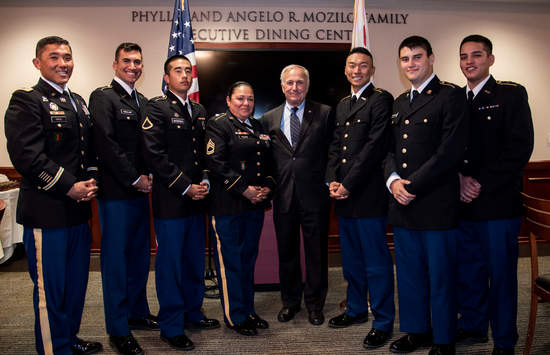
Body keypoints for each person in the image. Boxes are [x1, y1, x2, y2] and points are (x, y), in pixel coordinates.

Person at [4, 36, 102, 355]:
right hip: (47, 213)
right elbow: (27, 156)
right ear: (38, 63)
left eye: (68, 57)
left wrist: (90, 181)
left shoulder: (77, 101)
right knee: (51, 291)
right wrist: (68, 185)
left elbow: (86, 151)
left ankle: (68, 340)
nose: (63, 63)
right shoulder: (27, 100)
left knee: (74, 289)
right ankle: (53, 349)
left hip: (77, 212)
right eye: (54, 57)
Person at [383, 35, 468, 355]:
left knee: (442, 276)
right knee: (410, 275)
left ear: (431, 58)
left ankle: (444, 339)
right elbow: (388, 150)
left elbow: (449, 152)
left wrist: (411, 186)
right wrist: (393, 182)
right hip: (403, 205)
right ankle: (417, 331)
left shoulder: (450, 96)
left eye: (417, 57)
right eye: (405, 59)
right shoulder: (400, 101)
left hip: (434, 204)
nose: (411, 64)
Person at [455, 35, 534, 355]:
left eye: (476, 55)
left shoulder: (510, 94)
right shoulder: (455, 99)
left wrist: (479, 183)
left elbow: (519, 150)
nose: (469, 61)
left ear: (491, 59)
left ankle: (504, 341)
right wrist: (459, 179)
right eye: (463, 56)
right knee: (469, 273)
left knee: (501, 278)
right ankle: (474, 327)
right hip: (463, 206)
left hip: (498, 205)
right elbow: (448, 149)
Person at [141, 55, 219, 351]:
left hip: (197, 199)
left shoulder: (198, 110)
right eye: (178, 71)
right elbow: (154, 155)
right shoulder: (156, 108)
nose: (184, 75)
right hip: (172, 201)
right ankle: (171, 325)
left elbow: (205, 153)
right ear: (166, 77)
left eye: (188, 71)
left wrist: (206, 182)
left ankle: (192, 313)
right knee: (171, 264)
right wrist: (186, 186)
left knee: (193, 261)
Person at [89, 42, 158, 355]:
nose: (133, 66)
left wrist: (151, 177)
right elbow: (107, 145)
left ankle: (137, 313)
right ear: (115, 64)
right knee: (117, 261)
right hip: (117, 193)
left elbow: (148, 146)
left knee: (139, 257)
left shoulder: (142, 100)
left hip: (142, 192)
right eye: (127, 61)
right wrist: (135, 178)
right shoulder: (103, 97)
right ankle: (118, 328)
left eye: (138, 62)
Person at [325, 47, 395, 349]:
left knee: (376, 263)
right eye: (352, 65)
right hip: (343, 196)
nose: (357, 70)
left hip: (367, 195)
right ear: (345, 70)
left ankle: (382, 321)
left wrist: (348, 183)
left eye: (363, 66)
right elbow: (335, 147)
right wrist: (331, 180)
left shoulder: (381, 100)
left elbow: (374, 148)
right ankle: (354, 309)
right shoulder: (341, 105)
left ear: (372, 70)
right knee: (352, 261)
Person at [261, 64, 333, 326]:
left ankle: (315, 304)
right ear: (282, 86)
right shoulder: (268, 119)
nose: (295, 87)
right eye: (289, 83)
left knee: (316, 253)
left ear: (307, 85)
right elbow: (265, 160)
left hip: (315, 196)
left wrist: (330, 182)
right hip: (283, 196)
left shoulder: (324, 114)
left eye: (300, 82)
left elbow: (332, 153)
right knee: (287, 252)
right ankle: (290, 302)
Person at [206, 81, 275, 336]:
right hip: (229, 205)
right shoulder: (219, 124)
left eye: (250, 99)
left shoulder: (258, 127)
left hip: (254, 206)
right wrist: (244, 189)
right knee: (231, 263)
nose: (246, 103)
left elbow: (268, 164)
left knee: (247, 261)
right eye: (240, 99)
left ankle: (247, 309)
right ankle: (234, 316)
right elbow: (215, 162)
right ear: (228, 100)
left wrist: (268, 187)